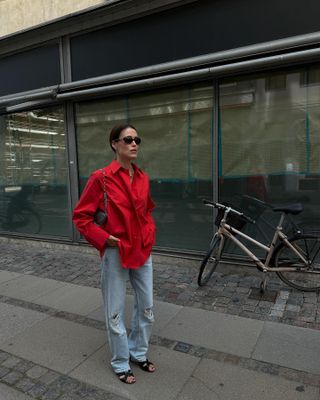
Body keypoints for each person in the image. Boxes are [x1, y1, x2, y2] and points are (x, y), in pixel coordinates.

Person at [73, 124, 156, 384]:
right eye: (128, 139)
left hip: (142, 250)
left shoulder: (142, 177)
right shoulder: (102, 178)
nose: (134, 144)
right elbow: (81, 217)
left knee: (147, 307)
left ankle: (138, 352)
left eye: (137, 139)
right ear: (114, 144)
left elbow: (146, 211)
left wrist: (149, 232)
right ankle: (121, 361)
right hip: (116, 251)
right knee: (115, 310)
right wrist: (103, 239)